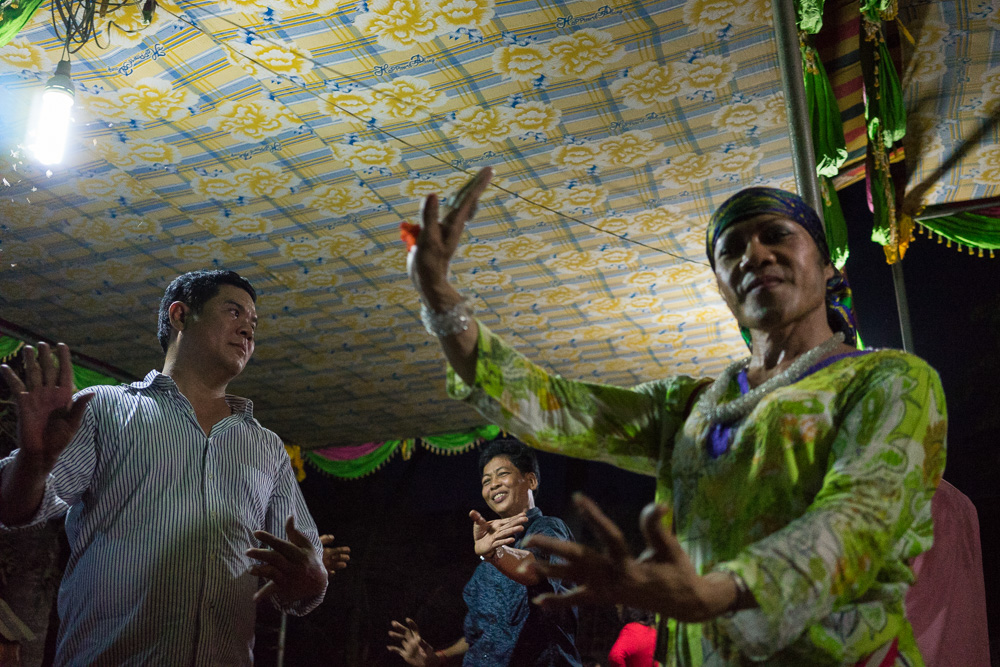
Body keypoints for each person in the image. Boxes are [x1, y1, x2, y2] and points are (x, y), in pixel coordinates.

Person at [406, 168, 947, 666]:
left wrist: (717, 591)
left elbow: (858, 521)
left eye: (777, 235)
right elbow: (559, 407)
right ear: (720, 286)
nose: (755, 255)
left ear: (827, 264)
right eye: (731, 250)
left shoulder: (889, 381)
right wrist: (440, 298)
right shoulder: (690, 406)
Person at [0, 269, 347, 665]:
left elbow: (303, 577)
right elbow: (11, 508)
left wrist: (311, 578)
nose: (248, 332)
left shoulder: (266, 446)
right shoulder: (105, 408)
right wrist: (32, 462)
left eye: (254, 324)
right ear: (180, 315)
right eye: (234, 313)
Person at [387, 438, 582, 666]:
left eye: (502, 474)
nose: (493, 484)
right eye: (486, 480)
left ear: (531, 480)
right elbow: (479, 637)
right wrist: (436, 658)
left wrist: (495, 554)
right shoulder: (485, 566)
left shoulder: (549, 528)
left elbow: (534, 570)